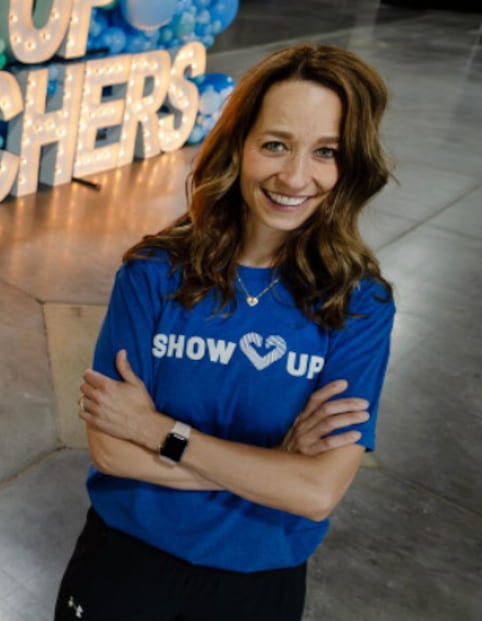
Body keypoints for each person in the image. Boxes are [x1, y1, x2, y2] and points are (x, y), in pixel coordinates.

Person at [58, 43, 395, 621]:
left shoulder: (358, 304)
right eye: (275, 145)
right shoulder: (153, 273)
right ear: (238, 145)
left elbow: (316, 493)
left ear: (350, 166)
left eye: (325, 152)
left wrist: (158, 430)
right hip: (125, 565)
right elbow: (113, 449)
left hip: (258, 581)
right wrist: (271, 467)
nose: (294, 176)